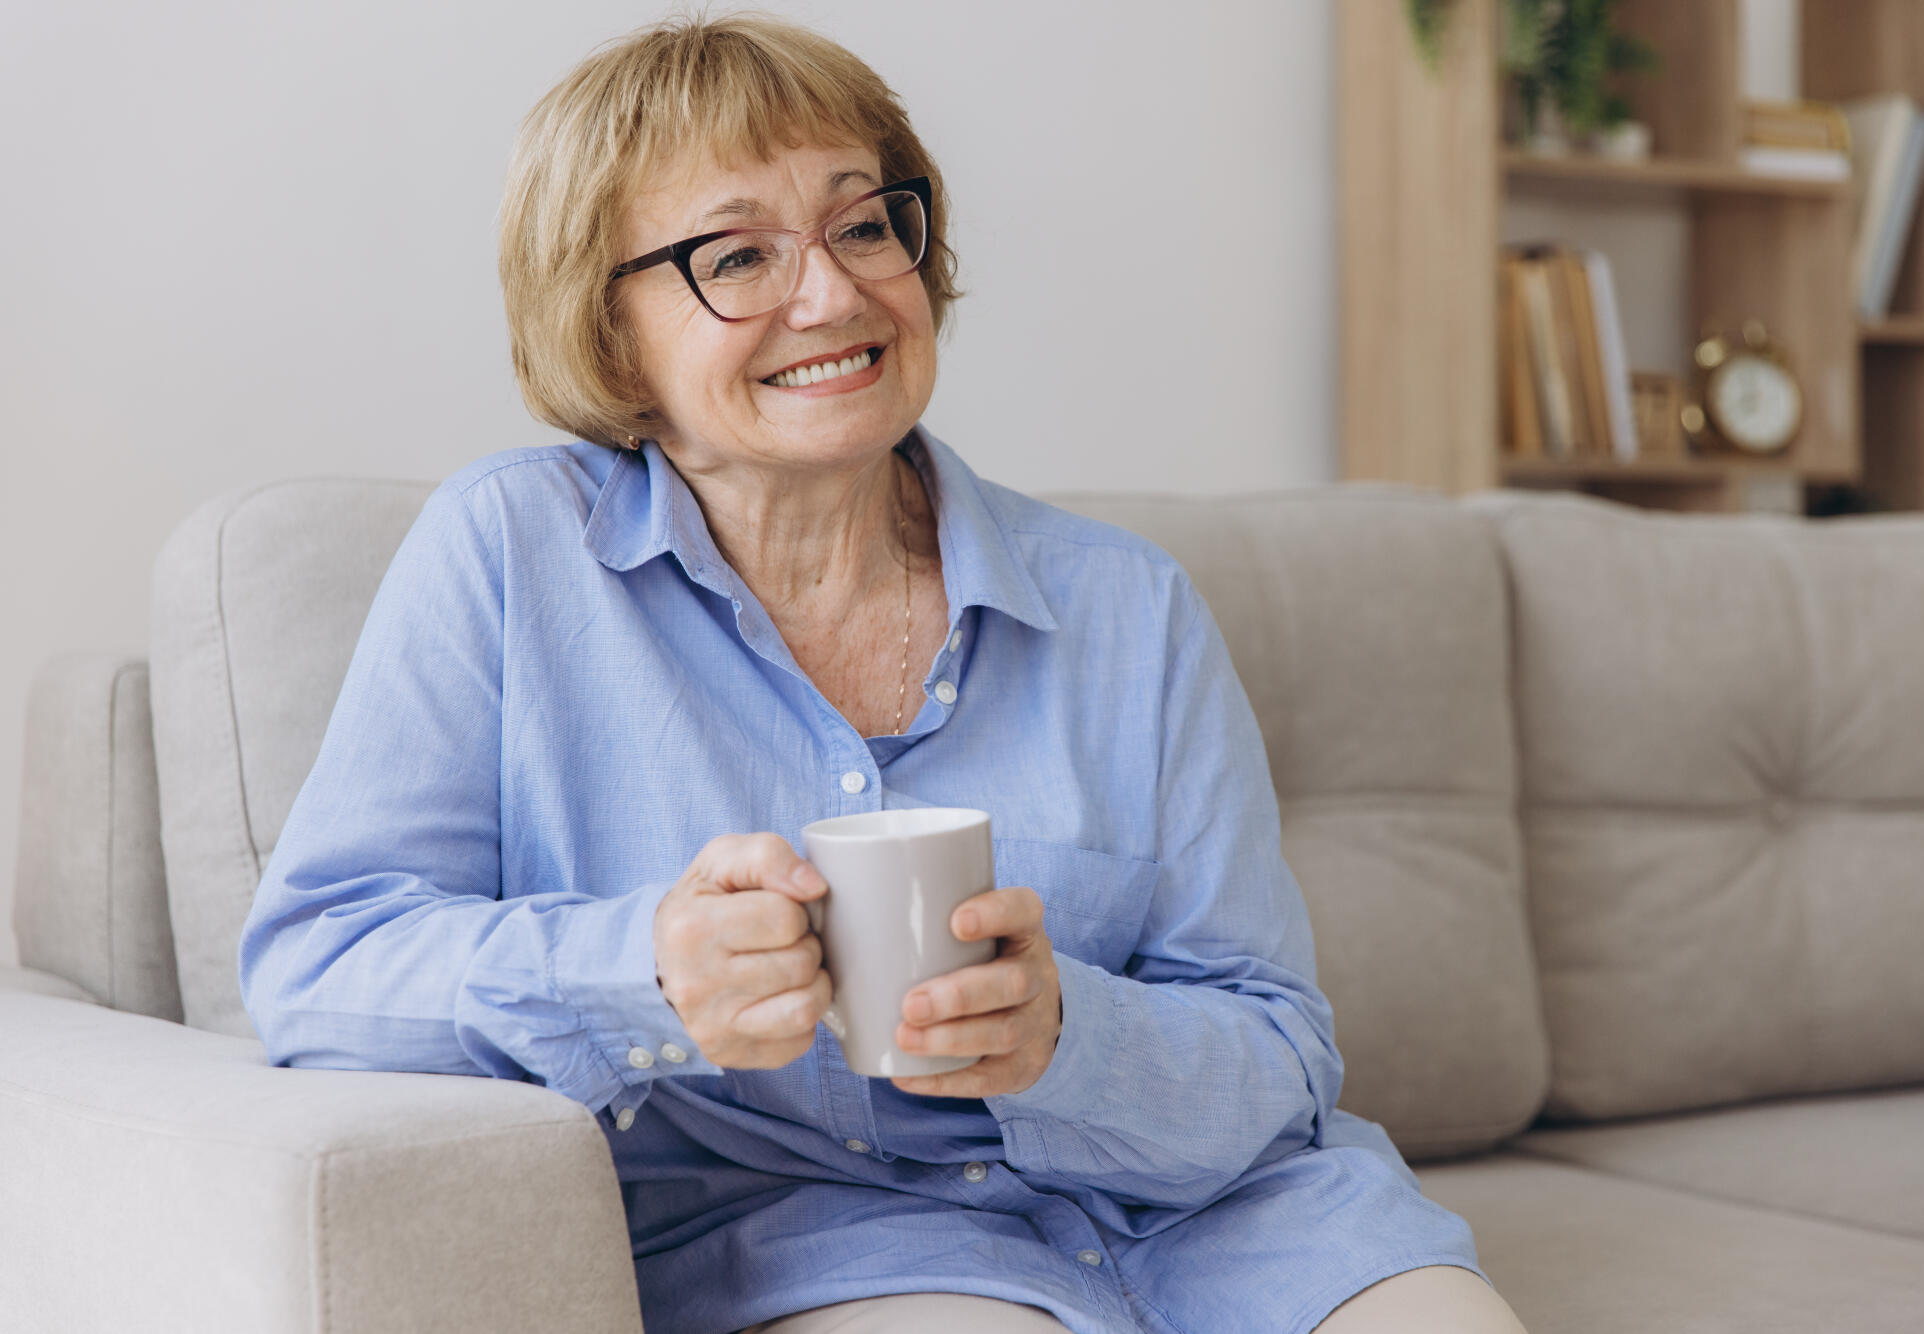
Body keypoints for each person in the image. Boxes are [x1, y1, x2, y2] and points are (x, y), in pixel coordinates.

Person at [237, 13, 1531, 1334]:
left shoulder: (1126, 605)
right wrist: (648, 971)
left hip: (1244, 1225)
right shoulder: (512, 555)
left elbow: (1279, 1047)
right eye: (736, 254)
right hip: (827, 1235)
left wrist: (1066, 1039)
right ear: (610, 332)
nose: (834, 294)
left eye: (865, 225)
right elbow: (320, 968)